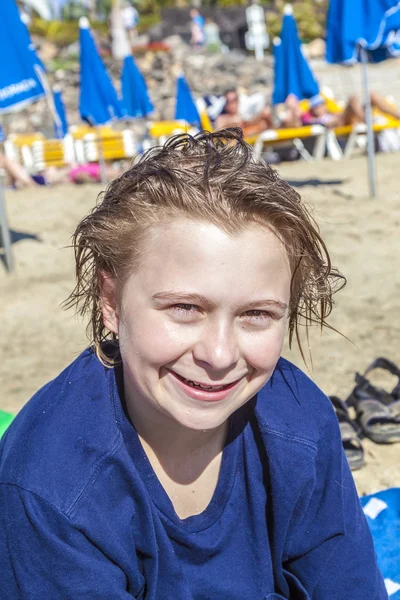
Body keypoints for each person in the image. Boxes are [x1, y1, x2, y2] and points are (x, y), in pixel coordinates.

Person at [0, 129, 387, 599]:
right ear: (111, 300)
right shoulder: (52, 489)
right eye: (185, 309)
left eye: (257, 314)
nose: (220, 356)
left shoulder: (298, 423)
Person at [0, 152, 128, 188]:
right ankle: (123, 173)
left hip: (71, 173)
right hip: (42, 181)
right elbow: (82, 177)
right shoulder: (79, 172)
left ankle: (123, 172)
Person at [215, 90, 302, 136]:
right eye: (229, 101)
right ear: (225, 105)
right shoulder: (222, 118)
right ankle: (290, 113)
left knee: (268, 112)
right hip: (251, 135)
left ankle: (291, 113)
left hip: (263, 128)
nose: (233, 103)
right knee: (267, 113)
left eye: (235, 99)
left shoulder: (244, 113)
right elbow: (218, 134)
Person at [301, 91, 400, 128]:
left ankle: (397, 116)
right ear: (312, 110)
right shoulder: (311, 120)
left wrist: (337, 114)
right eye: (317, 106)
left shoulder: (331, 111)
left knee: (373, 96)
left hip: (352, 117)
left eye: (322, 104)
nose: (321, 107)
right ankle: (368, 121)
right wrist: (337, 118)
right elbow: (328, 125)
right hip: (341, 124)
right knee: (353, 99)